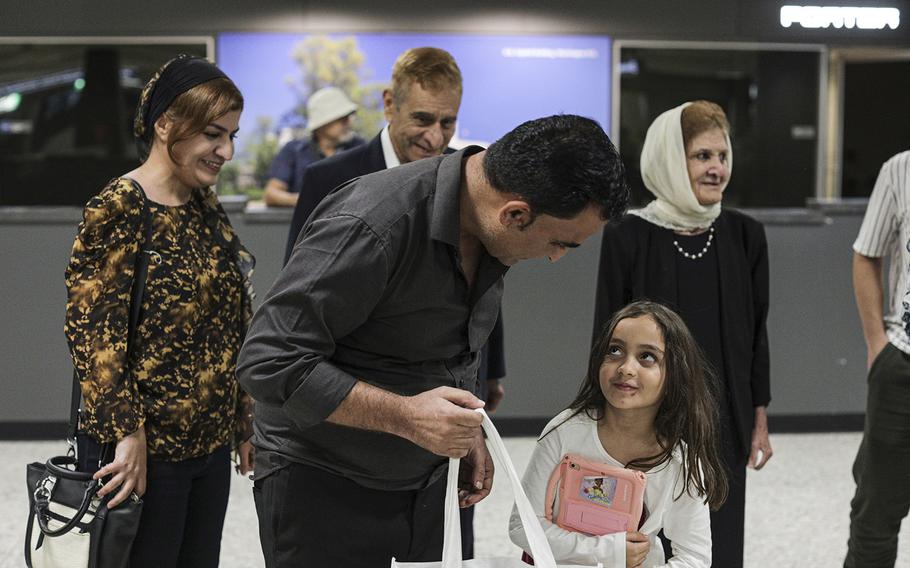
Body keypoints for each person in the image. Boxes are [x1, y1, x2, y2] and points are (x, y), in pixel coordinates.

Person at [236, 114, 630, 567]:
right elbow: (268, 361)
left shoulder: (487, 224)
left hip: (424, 484)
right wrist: (406, 416)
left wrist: (464, 431)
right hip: (323, 482)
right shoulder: (373, 222)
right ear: (515, 214)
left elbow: (443, 347)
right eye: (562, 243)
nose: (557, 258)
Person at [283, 46, 504, 558]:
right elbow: (299, 304)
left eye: (448, 122)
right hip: (356, 399)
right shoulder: (327, 179)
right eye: (422, 118)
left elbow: (486, 283)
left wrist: (493, 369)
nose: (435, 135)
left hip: (446, 389)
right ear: (389, 104)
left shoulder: (468, 177)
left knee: (438, 543)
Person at [64, 55, 255, 568]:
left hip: (210, 446)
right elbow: (93, 332)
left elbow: (228, 323)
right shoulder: (120, 206)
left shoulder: (203, 204)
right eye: (213, 134)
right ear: (165, 123)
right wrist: (126, 433)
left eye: (233, 135)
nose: (226, 150)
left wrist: (243, 418)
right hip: (149, 452)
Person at [592, 101, 772, 567]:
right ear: (671, 159)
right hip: (647, 420)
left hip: (723, 421)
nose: (717, 168)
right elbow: (605, 338)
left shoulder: (745, 235)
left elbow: (756, 334)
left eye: (722, 156)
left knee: (720, 539)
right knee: (648, 538)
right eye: (701, 157)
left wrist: (759, 416)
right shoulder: (628, 235)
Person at [510, 300, 728, 567]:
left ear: (675, 375)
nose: (626, 367)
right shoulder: (564, 432)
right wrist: (607, 551)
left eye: (647, 356)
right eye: (614, 351)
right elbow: (523, 527)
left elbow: (694, 557)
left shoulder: (680, 463)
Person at [845, 150, 910, 567]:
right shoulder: (900, 170)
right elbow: (867, 254)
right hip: (903, 364)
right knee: (875, 512)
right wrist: (876, 343)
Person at [263, 86, 364, 207]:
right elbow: (271, 194)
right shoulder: (294, 151)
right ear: (322, 122)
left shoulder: (361, 148)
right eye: (341, 118)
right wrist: (311, 201)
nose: (348, 122)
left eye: (348, 117)